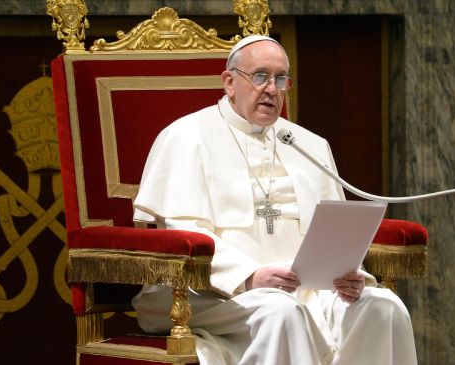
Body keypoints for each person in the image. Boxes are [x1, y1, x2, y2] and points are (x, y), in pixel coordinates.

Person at [132, 35, 417, 365]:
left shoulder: (307, 144)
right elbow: (179, 233)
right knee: (282, 312)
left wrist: (347, 274)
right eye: (260, 76)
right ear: (229, 82)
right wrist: (249, 276)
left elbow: (331, 231)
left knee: (384, 307)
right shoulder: (185, 137)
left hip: (305, 291)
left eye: (281, 79)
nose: (272, 89)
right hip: (209, 294)